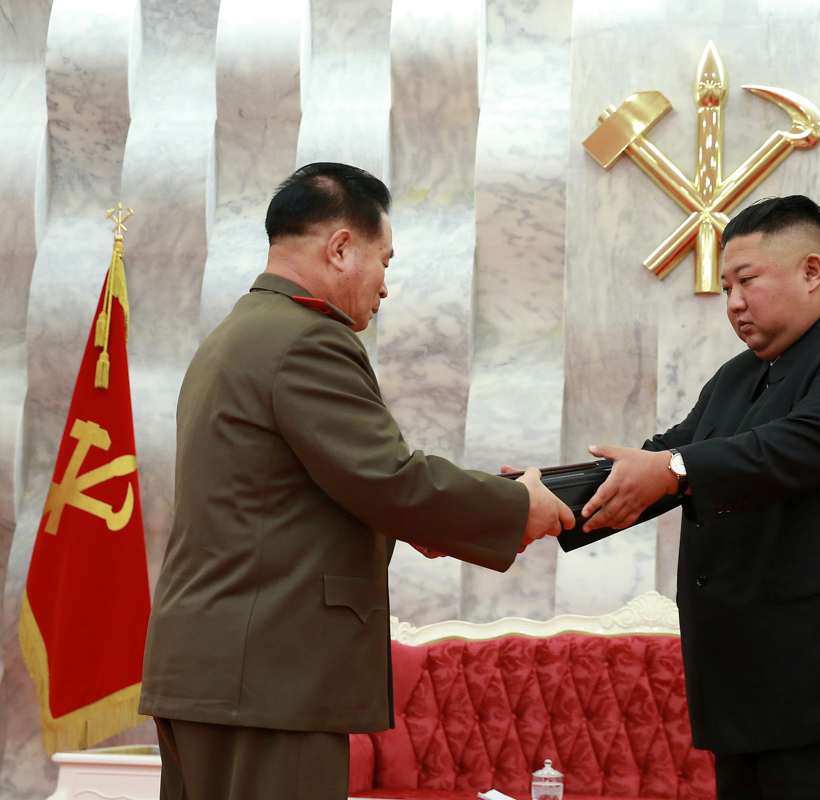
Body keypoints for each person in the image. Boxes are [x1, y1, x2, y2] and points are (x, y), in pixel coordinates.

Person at [139, 162, 574, 800]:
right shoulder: (305, 339)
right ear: (341, 248)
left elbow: (307, 493)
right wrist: (517, 506)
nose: (385, 287)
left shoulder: (236, 335)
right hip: (269, 678)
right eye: (385, 262)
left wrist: (422, 524)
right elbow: (389, 478)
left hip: (217, 670)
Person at [559, 195, 820, 800]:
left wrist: (673, 468)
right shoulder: (736, 376)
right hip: (750, 691)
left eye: (746, 281)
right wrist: (535, 500)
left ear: (811, 272)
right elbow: (659, 458)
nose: (733, 302)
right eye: (726, 287)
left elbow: (788, 449)